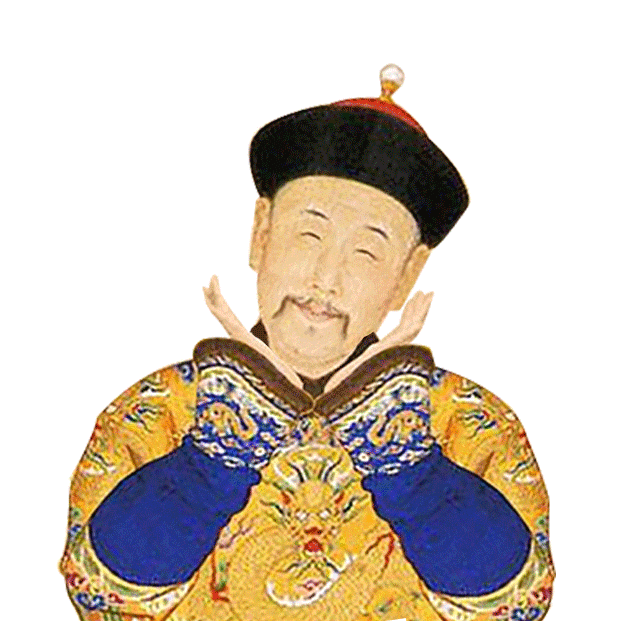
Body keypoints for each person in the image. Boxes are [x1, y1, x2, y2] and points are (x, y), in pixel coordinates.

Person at [59, 64, 554, 621]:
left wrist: (405, 462)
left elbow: (516, 604)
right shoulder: (164, 405)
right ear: (261, 233)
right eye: (309, 235)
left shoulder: (465, 418)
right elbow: (100, 593)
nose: (326, 277)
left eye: (366, 252)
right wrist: (218, 450)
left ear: (407, 276)